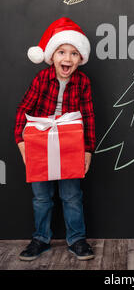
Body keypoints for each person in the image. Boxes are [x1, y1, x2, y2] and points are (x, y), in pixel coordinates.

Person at [14, 17, 96, 261]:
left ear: (81, 58)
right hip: (39, 144)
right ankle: (40, 238)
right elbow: (22, 111)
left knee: (71, 195)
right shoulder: (41, 80)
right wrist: (22, 144)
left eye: (73, 53)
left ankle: (77, 239)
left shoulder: (83, 82)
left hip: (70, 146)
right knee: (41, 196)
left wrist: (87, 151)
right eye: (61, 52)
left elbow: (88, 118)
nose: (67, 59)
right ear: (51, 56)